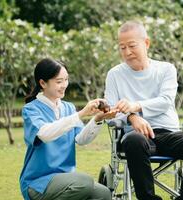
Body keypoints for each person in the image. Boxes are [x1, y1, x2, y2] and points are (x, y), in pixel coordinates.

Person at [105, 20, 183, 200]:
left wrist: (135, 106)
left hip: (169, 134)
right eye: (122, 47)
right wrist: (132, 117)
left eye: (131, 46)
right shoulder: (114, 74)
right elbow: (110, 112)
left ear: (146, 43)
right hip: (137, 137)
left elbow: (165, 101)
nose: (127, 52)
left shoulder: (166, 69)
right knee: (134, 140)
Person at [20, 58, 117, 200]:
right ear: (42, 83)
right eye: (59, 81)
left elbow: (81, 139)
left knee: (103, 194)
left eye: (66, 80)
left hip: (67, 178)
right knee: (84, 183)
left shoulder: (68, 107)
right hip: (38, 182)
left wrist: (97, 119)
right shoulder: (31, 110)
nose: (64, 85)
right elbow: (45, 134)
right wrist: (81, 114)